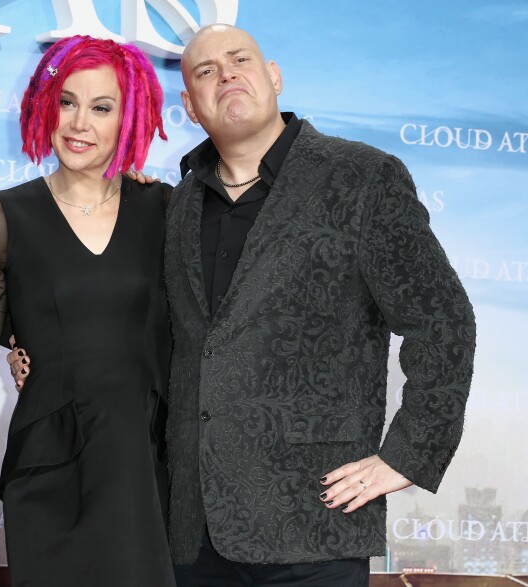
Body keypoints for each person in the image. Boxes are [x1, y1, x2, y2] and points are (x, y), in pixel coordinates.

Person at [163, 24, 476, 586]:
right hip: (194, 527)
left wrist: (407, 454)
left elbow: (443, 321)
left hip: (313, 518)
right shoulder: (179, 200)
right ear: (189, 104)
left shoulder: (362, 177)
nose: (226, 73)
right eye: (205, 71)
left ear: (274, 76)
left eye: (240, 59)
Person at [0, 36, 176, 586]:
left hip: (143, 463)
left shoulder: (167, 210)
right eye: (66, 101)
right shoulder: (2, 216)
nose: (79, 122)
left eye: (102, 107)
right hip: (47, 470)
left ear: (129, 117)